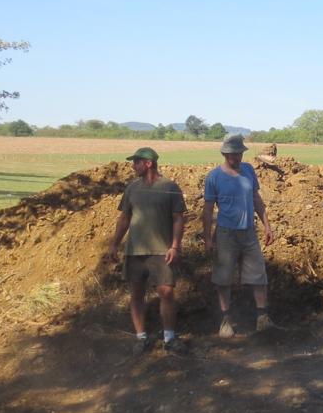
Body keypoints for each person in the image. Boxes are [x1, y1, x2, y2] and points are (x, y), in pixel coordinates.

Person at [104, 147, 186, 353]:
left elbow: (178, 219)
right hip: (135, 251)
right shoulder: (132, 189)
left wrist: (175, 246)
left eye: (137, 162)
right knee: (137, 294)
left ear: (148, 163)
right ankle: (141, 337)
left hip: (162, 251)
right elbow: (124, 219)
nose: (133, 166)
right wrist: (114, 244)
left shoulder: (170, 187)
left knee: (166, 292)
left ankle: (169, 338)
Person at [202, 133, 274, 337]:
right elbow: (207, 210)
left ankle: (262, 318)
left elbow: (256, 199)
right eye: (232, 155)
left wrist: (267, 226)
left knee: (259, 274)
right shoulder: (214, 177)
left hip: (249, 232)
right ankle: (225, 321)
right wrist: (208, 238)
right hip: (225, 234)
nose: (236, 158)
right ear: (225, 154)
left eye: (239, 154)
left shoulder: (249, 171)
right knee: (223, 278)